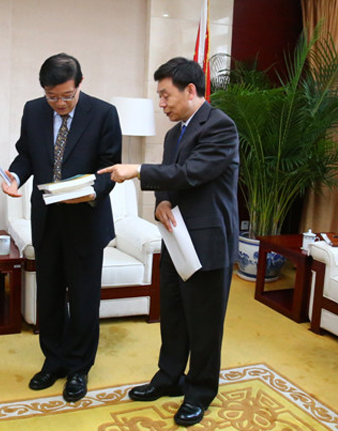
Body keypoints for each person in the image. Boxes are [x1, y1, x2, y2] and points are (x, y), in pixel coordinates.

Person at [98, 57, 239, 427]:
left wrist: (137, 171)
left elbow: (193, 172)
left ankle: (200, 391)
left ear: (190, 90)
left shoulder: (220, 126)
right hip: (177, 238)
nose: (162, 103)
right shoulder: (175, 133)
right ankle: (169, 378)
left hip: (208, 242)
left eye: (165, 95)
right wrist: (161, 199)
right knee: (174, 315)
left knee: (205, 323)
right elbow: (171, 180)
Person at [2, 53, 121, 402]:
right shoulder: (34, 110)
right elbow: (26, 154)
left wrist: (88, 193)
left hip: (85, 218)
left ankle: (79, 368)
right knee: (49, 294)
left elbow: (109, 166)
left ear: (79, 85)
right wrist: (14, 176)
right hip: (47, 219)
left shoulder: (103, 114)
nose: (59, 104)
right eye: (52, 97)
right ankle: (53, 360)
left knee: (84, 298)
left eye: (66, 96)